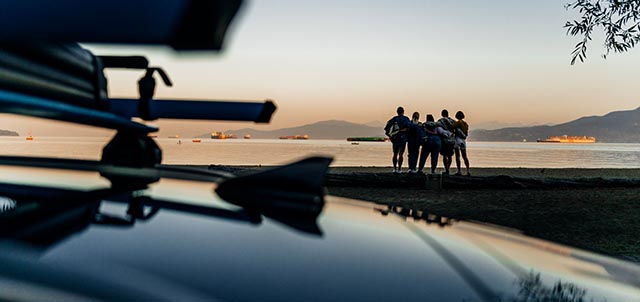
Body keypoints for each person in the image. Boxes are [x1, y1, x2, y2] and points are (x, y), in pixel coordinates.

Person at [384, 106, 411, 173]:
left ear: (397, 112)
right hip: (403, 138)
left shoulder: (394, 119)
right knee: (401, 154)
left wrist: (390, 136)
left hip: (395, 138)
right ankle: (399, 169)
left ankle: (394, 168)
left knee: (395, 154)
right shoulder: (406, 119)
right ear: (403, 112)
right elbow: (409, 127)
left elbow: (386, 128)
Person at [437, 109, 456, 175]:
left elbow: (438, 130)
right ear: (448, 114)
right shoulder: (453, 121)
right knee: (450, 155)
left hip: (444, 141)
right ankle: (448, 168)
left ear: (442, 114)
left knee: (444, 155)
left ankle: (446, 169)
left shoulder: (440, 121)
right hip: (452, 140)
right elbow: (455, 129)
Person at [452, 111, 470, 176]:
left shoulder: (458, 122)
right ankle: (468, 170)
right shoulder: (466, 124)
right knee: (465, 156)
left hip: (457, 139)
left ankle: (459, 171)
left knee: (457, 156)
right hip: (463, 140)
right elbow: (466, 133)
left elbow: (452, 126)